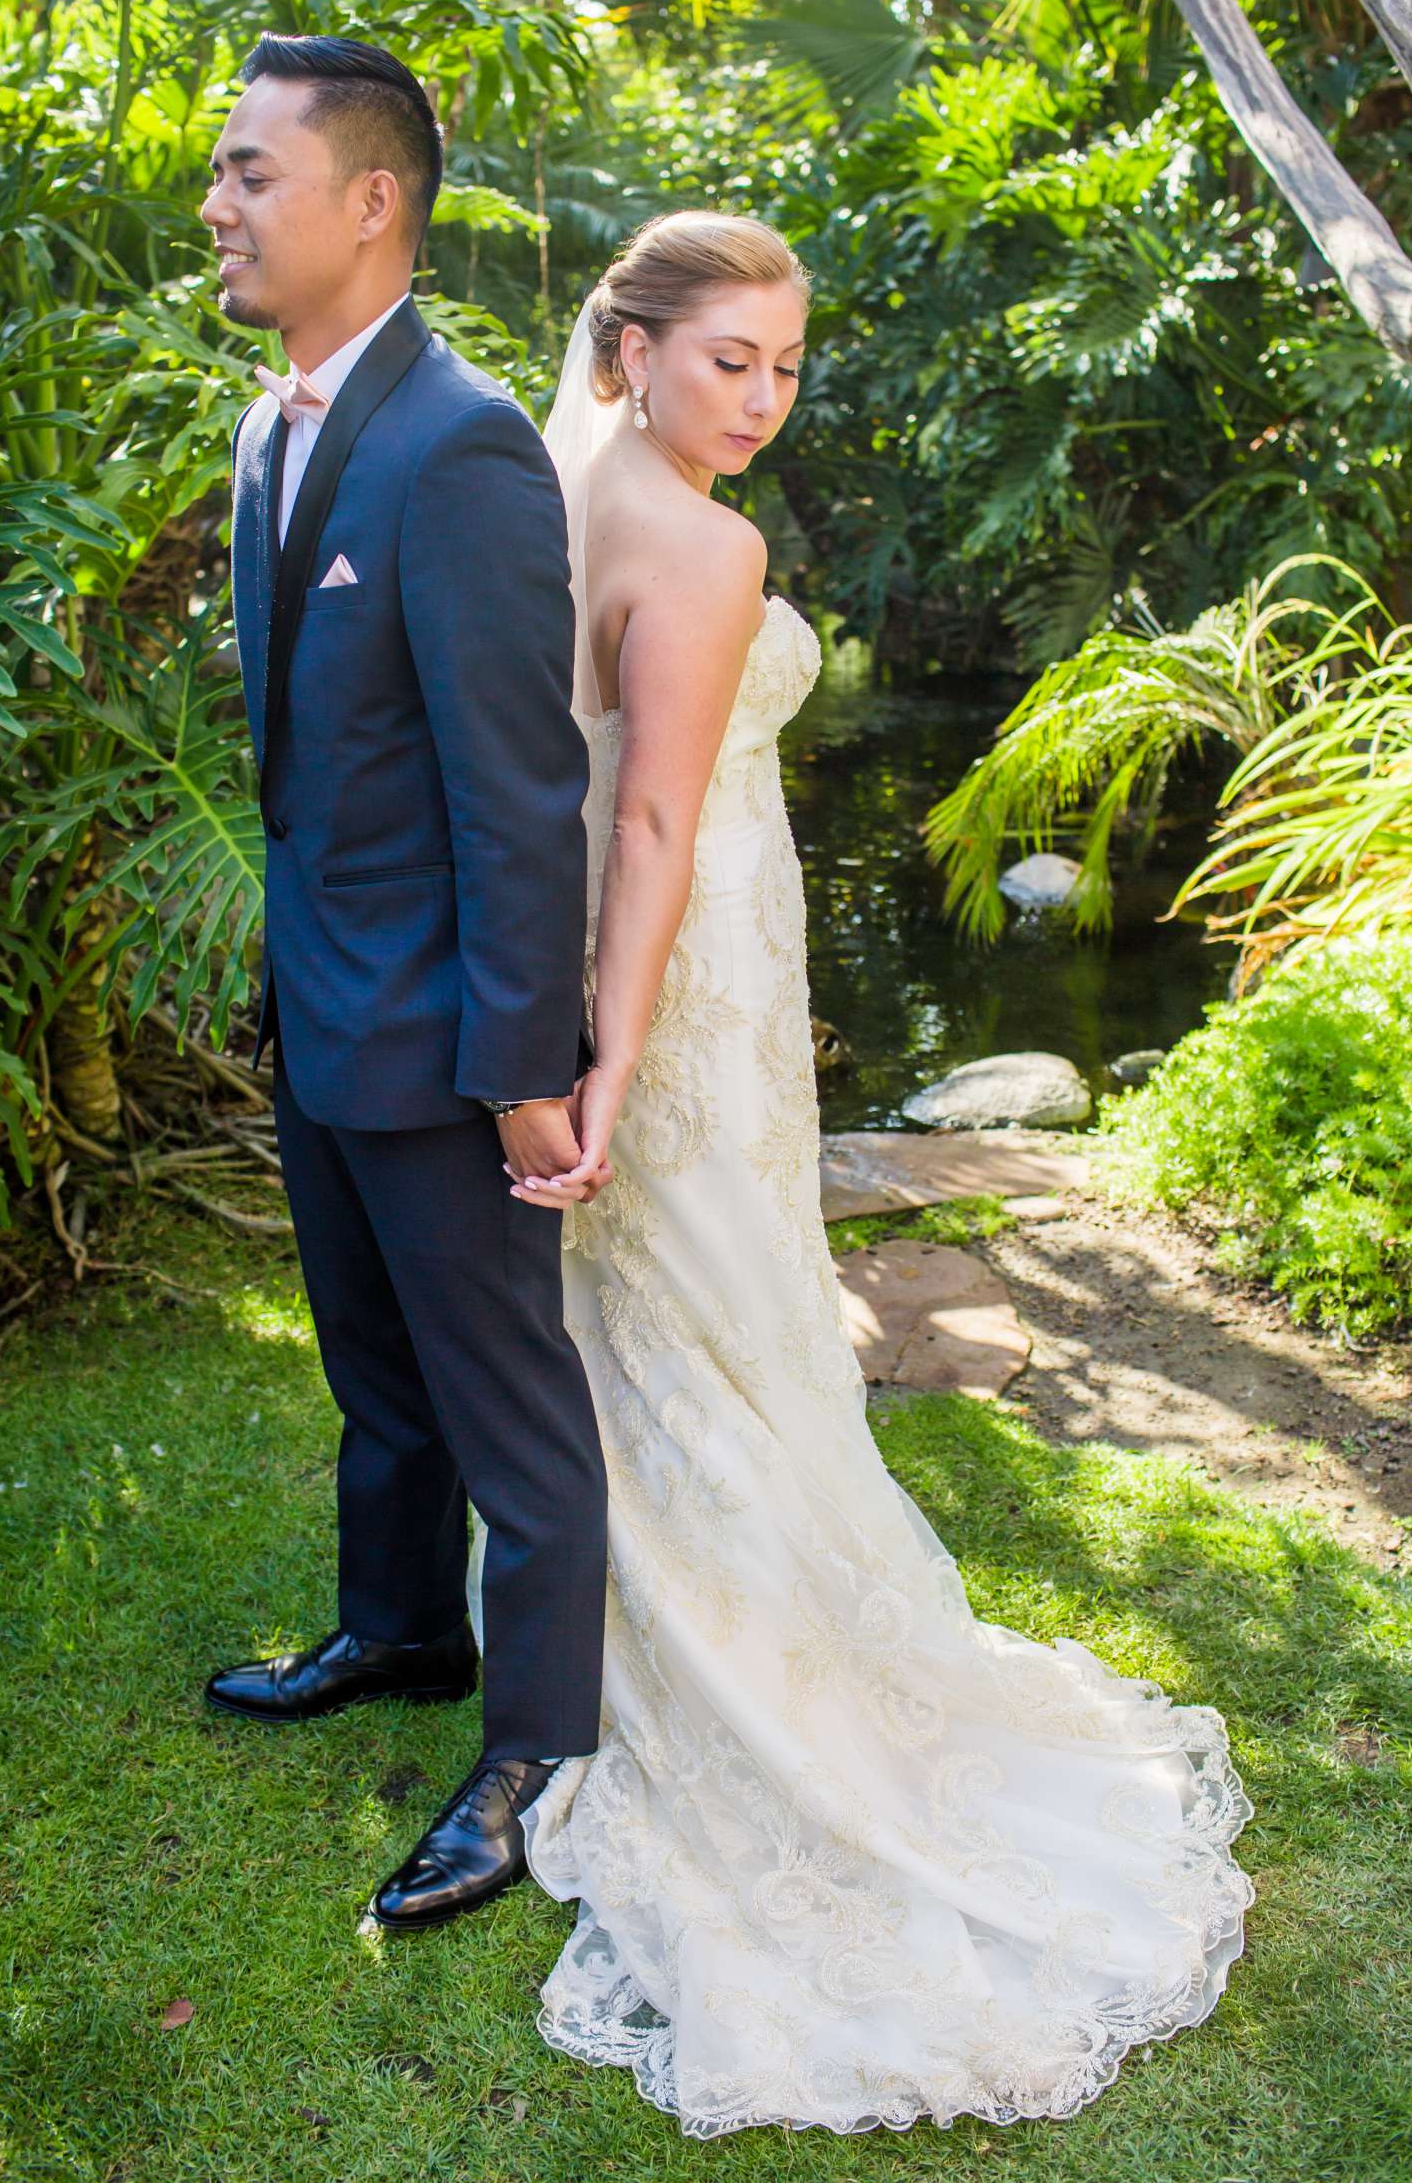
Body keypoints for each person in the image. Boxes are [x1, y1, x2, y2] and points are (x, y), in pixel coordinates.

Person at [491, 210, 1256, 2139]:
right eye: (730, 359)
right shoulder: (708, 540)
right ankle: (745, 1668)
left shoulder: (539, 463)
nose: (761, 402)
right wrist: (622, 1050)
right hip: (684, 954)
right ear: (639, 339)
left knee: (643, 1311)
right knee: (722, 1299)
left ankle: (603, 1621)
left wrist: (553, 1021)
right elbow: (661, 808)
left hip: (578, 921)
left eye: (786, 369)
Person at [197, 32, 609, 1931]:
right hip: (323, 1002)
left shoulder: (463, 448)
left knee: (509, 1411)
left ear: (372, 202)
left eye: (251, 173)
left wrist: (525, 1064)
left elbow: (519, 795)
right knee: (378, 1379)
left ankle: (530, 1758)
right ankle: (397, 1638)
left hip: (447, 1033)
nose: (218, 205)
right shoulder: (272, 427)